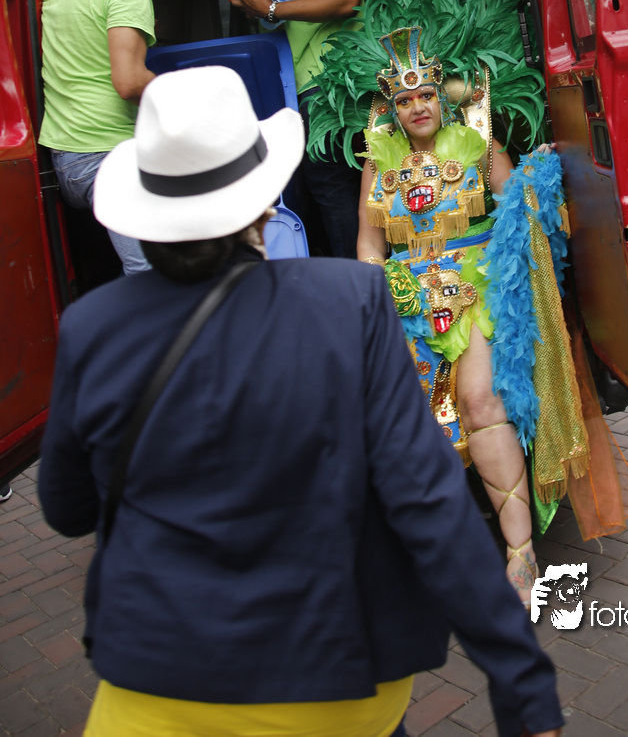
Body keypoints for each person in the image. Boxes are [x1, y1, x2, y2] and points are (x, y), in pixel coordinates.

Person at [38, 66, 563, 737]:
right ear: (265, 203)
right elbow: (424, 498)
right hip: (340, 682)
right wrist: (522, 687)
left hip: (157, 687)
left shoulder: (91, 326)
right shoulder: (348, 301)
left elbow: (69, 508)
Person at [307, 0, 628, 587]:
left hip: (478, 289)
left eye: (426, 95)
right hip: (409, 297)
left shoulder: (479, 142)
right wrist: (377, 294)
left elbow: (517, 212)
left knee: (481, 401)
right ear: (391, 108)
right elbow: (368, 242)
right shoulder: (376, 160)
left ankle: (520, 551)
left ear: (442, 96)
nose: (418, 107)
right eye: (405, 100)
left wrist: (539, 177)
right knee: (409, 420)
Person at [209, 0, 367, 258]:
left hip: (330, 73)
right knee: (288, 183)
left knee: (329, 180)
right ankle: (309, 273)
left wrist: (273, 8)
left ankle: (353, 278)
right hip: (279, 76)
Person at [39, 0, 188, 274]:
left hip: (67, 158)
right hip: (109, 155)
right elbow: (129, 82)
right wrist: (186, 100)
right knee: (152, 275)